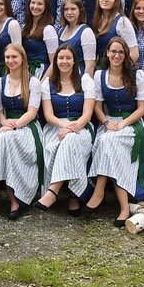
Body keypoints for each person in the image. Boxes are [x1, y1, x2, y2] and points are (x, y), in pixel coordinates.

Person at [86, 37, 144, 225]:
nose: (116, 55)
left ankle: (99, 189)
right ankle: (124, 207)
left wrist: (122, 124)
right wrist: (106, 122)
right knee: (109, 143)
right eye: (113, 51)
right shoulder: (100, 76)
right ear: (107, 53)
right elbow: (97, 107)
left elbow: (142, 109)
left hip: (132, 124)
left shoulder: (137, 75)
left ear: (126, 55)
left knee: (108, 142)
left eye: (120, 52)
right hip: (109, 123)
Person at [0, 43, 44, 219]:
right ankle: (14, 200)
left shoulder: (33, 81)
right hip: (7, 125)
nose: (11, 60)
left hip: (28, 127)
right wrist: (5, 124)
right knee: (5, 141)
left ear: (22, 59)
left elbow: (32, 112)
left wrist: (14, 125)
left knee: (3, 140)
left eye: (14, 57)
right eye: (8, 57)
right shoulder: (0, 82)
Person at [34, 45, 98, 215]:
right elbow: (48, 115)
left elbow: (87, 114)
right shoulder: (48, 83)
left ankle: (53, 191)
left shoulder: (85, 80)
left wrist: (73, 127)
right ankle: (74, 196)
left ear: (74, 60)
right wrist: (64, 126)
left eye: (68, 58)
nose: (64, 61)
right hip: (55, 127)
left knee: (71, 141)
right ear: (55, 61)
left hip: (81, 127)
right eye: (61, 58)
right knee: (62, 144)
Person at [92, 0, 139, 66]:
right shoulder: (98, 21)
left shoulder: (122, 22)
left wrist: (121, 72)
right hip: (100, 70)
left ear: (116, 1)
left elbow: (134, 53)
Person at [21, 0, 59, 80]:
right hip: (26, 73)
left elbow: (54, 62)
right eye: (33, 3)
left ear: (46, 7)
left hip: (41, 72)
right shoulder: (25, 27)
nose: (35, 7)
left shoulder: (48, 30)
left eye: (40, 4)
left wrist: (42, 83)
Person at [57, 0, 97, 78]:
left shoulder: (86, 32)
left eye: (73, 9)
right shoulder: (61, 31)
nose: (69, 12)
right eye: (66, 9)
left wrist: (86, 85)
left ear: (80, 11)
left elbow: (90, 65)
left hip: (79, 76)